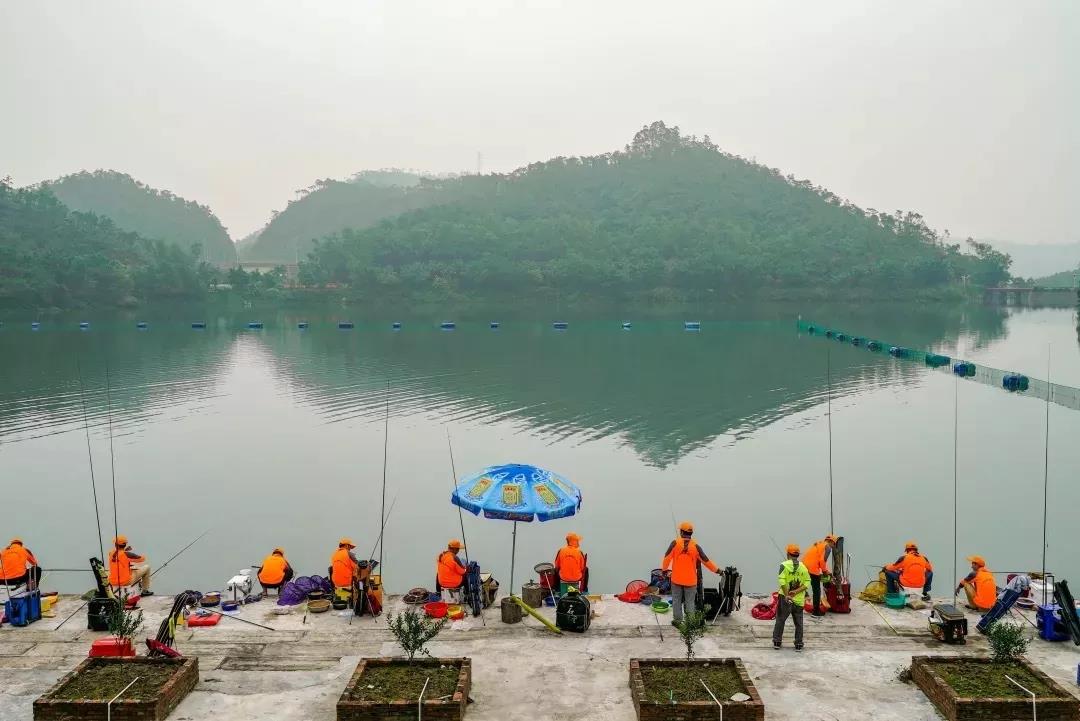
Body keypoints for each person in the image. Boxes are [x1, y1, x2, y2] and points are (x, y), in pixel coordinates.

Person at [661, 521, 720, 625]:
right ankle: (690, 623)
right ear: (690, 533)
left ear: (681, 532)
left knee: (676, 600)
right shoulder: (696, 546)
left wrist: (664, 570)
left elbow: (667, 557)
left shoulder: (675, 543)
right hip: (691, 581)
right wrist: (717, 571)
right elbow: (706, 561)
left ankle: (678, 621)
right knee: (690, 603)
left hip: (676, 579)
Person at [773, 543, 812, 651]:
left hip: (785, 599)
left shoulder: (783, 565)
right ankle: (798, 644)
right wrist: (796, 592)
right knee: (799, 622)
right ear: (798, 555)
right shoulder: (803, 567)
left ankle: (777, 641)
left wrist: (787, 595)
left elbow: (782, 581)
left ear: (787, 554)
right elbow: (807, 582)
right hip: (798, 600)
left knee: (780, 619)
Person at [803, 534, 838, 616]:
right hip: (813, 568)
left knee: (804, 584)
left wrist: (826, 571)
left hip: (804, 565)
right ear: (831, 541)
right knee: (816, 590)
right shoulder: (828, 547)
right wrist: (825, 572)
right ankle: (816, 611)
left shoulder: (819, 544)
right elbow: (822, 561)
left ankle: (804, 600)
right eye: (834, 544)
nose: (833, 546)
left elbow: (818, 559)